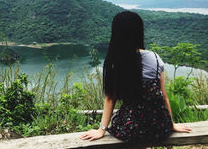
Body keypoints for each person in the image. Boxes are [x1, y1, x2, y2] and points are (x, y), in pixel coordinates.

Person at [80, 11, 191, 145]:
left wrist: (101, 129)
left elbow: (110, 99)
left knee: (130, 124)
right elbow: (163, 96)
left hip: (131, 129)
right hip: (160, 127)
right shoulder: (155, 58)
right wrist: (171, 124)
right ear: (139, 32)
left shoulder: (116, 62)